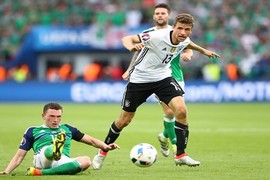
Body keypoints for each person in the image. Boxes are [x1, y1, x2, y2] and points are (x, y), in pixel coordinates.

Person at [92, 13, 220, 170]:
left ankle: (181, 155)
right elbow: (127, 39)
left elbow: (188, 44)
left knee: (181, 111)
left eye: (187, 29)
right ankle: (101, 152)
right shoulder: (156, 36)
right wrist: (131, 47)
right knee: (123, 121)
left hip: (163, 79)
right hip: (140, 80)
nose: (182, 32)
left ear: (191, 30)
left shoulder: (184, 39)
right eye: (179, 28)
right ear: (174, 27)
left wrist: (203, 51)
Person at [122, 3, 194, 158]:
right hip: (158, 76)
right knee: (169, 111)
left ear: (169, 16)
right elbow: (138, 53)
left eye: (163, 13)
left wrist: (189, 54)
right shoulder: (149, 33)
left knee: (179, 112)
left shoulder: (178, 31)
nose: (160, 16)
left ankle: (164, 136)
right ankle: (177, 148)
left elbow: (189, 46)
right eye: (157, 13)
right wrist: (130, 69)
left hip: (177, 76)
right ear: (154, 16)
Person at [0, 102, 119, 176]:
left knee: (86, 161)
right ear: (43, 116)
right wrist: (7, 170)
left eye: (58, 117)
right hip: (42, 158)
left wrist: (105, 146)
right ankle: (54, 150)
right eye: (52, 116)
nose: (55, 120)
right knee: (49, 149)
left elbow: (91, 141)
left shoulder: (67, 129)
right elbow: (20, 155)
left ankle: (41, 173)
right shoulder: (32, 131)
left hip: (61, 160)